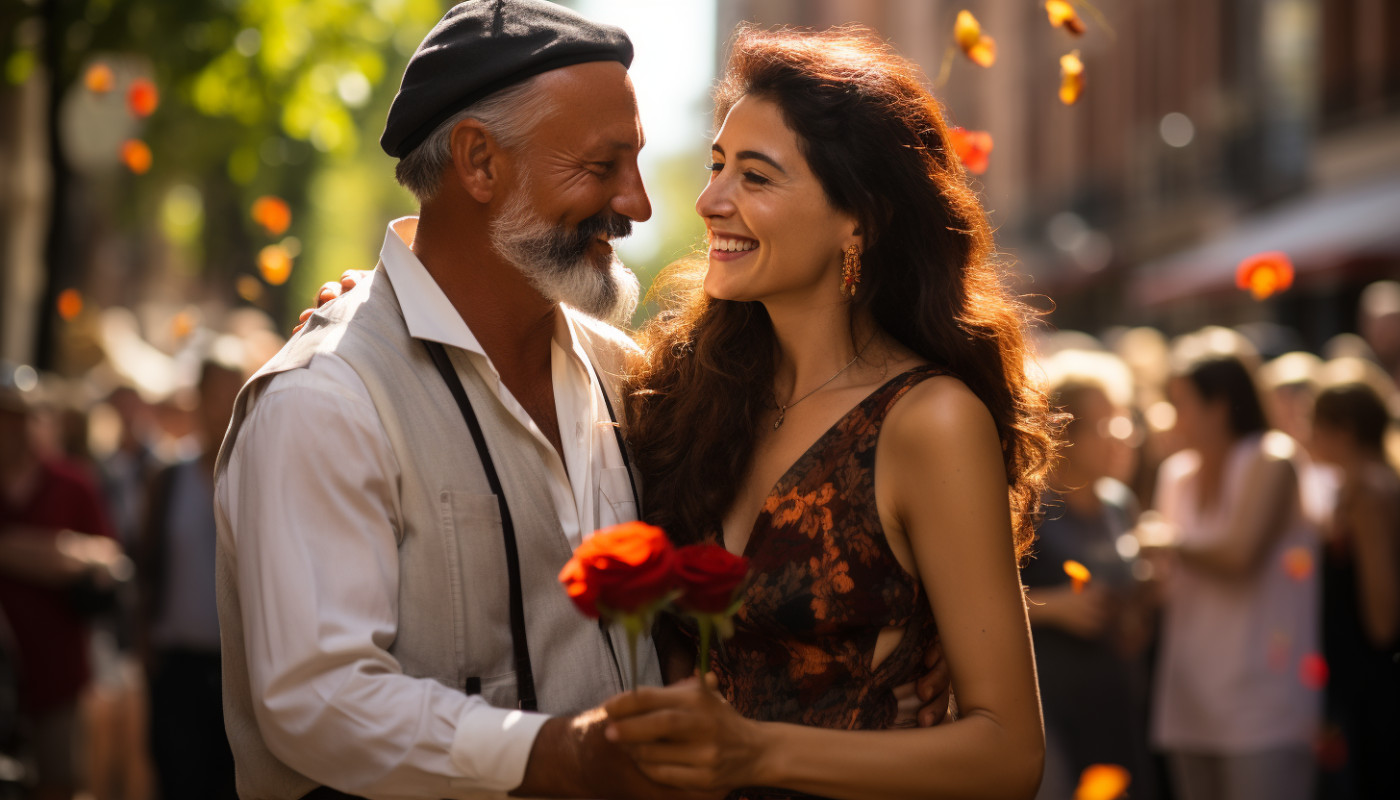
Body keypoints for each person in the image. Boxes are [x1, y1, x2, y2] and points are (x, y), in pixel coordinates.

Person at [227, 3, 950, 799]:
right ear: (478, 162)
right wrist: (556, 756)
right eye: (603, 167)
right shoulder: (326, 399)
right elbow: (315, 700)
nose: (639, 205)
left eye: (637, 165)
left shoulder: (629, 377)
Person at [593, 26, 1052, 799]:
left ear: (858, 220)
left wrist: (757, 753)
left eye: (757, 177)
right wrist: (361, 313)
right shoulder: (681, 388)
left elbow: (1010, 754)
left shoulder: (928, 423)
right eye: (716, 167)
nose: (711, 201)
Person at [1142, 328, 1319, 800]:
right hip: (1189, 701)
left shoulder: (1272, 458)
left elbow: (1240, 555)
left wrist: (1164, 543)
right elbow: (1162, 586)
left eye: (1179, 402)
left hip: (1264, 705)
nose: (1169, 417)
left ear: (1218, 405)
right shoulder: (1175, 474)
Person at [1021, 350, 1155, 800]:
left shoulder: (1119, 504)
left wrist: (1139, 610)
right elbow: (979, 604)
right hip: (1049, 709)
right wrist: (1054, 608)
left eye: (1121, 420)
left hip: (1114, 704)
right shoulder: (1029, 509)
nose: (1120, 436)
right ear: (1063, 433)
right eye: (1102, 425)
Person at [0, 364, 126, 800]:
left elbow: (110, 562)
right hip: (4, 676)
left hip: (57, 676)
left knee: (57, 783)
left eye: (21, 416)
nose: (12, 429)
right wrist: (53, 555)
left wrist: (37, 552)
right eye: (4, 417)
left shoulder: (72, 484)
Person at [140, 345, 245, 800]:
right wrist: (144, 643)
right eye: (215, 393)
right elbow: (145, 561)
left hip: (238, 670)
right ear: (198, 399)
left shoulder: (255, 473)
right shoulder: (168, 476)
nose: (223, 405)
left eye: (232, 393)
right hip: (177, 666)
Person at [1308, 358, 1400, 800]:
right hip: (1360, 681)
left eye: (1316, 424)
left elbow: (1382, 617)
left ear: (1343, 430)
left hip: (1372, 687)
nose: (1307, 435)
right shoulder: (1357, 487)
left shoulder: (1368, 491)